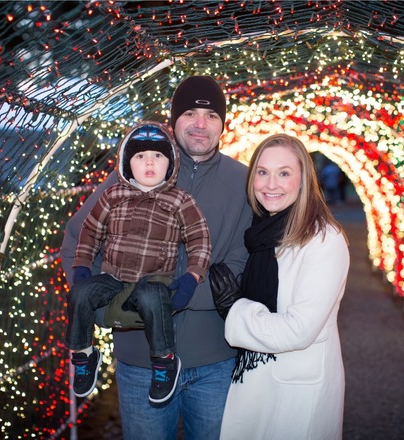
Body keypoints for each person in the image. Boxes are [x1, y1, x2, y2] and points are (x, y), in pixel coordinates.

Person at [60, 76, 252, 439]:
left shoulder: (241, 184)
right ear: (173, 118)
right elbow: (76, 241)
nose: (200, 124)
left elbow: (242, 266)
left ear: (224, 123)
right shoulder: (133, 173)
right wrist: (104, 306)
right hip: (139, 359)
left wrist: (175, 298)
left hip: (215, 360)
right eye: (190, 113)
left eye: (211, 115)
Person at [210, 133, 350, 439]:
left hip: (296, 388)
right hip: (254, 376)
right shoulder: (256, 232)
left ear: (303, 180)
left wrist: (235, 308)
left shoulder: (323, 240)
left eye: (284, 173)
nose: (270, 184)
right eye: (262, 172)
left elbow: (298, 330)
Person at [65, 120, 212, 404]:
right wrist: (82, 265)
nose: (149, 162)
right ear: (126, 162)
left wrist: (192, 276)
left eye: (158, 156)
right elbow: (90, 232)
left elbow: (199, 239)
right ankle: (84, 353)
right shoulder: (113, 195)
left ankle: (164, 360)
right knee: (80, 293)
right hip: (113, 277)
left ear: (170, 163)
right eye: (140, 156)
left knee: (153, 299)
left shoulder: (180, 200)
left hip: (154, 278)